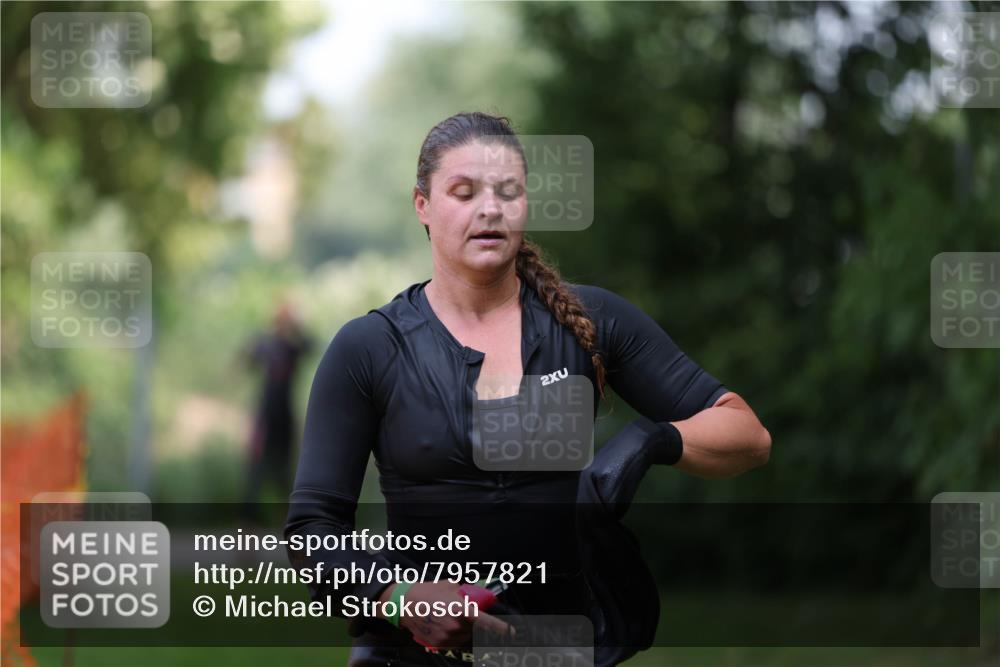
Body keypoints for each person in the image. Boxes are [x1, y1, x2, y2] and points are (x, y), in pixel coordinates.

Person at [284, 112, 771, 666]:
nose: (488, 209)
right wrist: (402, 597)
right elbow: (312, 530)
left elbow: (748, 434)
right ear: (422, 205)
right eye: (463, 192)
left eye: (507, 192)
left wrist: (649, 442)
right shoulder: (369, 347)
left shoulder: (592, 318)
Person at [241, 300, 313, 523]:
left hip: (285, 418)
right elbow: (247, 359)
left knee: (286, 475)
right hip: (265, 418)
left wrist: (298, 325)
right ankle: (246, 530)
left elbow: (311, 345)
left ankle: (291, 530)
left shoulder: (293, 347)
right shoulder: (265, 344)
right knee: (255, 474)